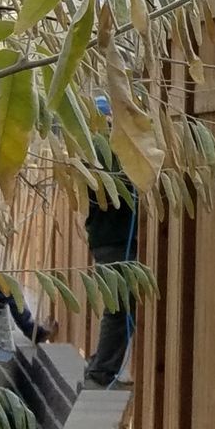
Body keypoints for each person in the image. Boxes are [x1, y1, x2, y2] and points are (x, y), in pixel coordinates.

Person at [83, 95, 137, 388]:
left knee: (119, 307)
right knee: (120, 309)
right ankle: (100, 375)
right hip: (114, 239)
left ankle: (99, 367)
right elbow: (126, 182)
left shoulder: (90, 149)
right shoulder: (103, 151)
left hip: (107, 238)